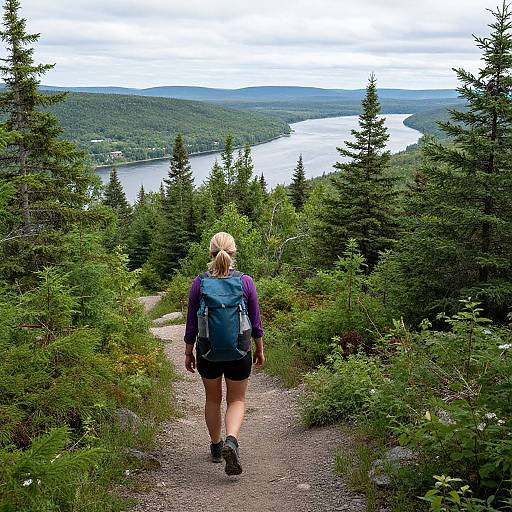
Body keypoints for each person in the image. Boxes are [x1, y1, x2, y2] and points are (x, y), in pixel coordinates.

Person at [184, 231, 265, 476]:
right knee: (237, 400)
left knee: (212, 399)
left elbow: (192, 324)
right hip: (239, 351)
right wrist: (259, 349)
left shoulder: (199, 282)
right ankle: (232, 440)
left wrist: (189, 352)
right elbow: (256, 321)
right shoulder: (245, 282)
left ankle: (217, 448)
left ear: (210, 253)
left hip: (208, 351)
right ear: (234, 252)